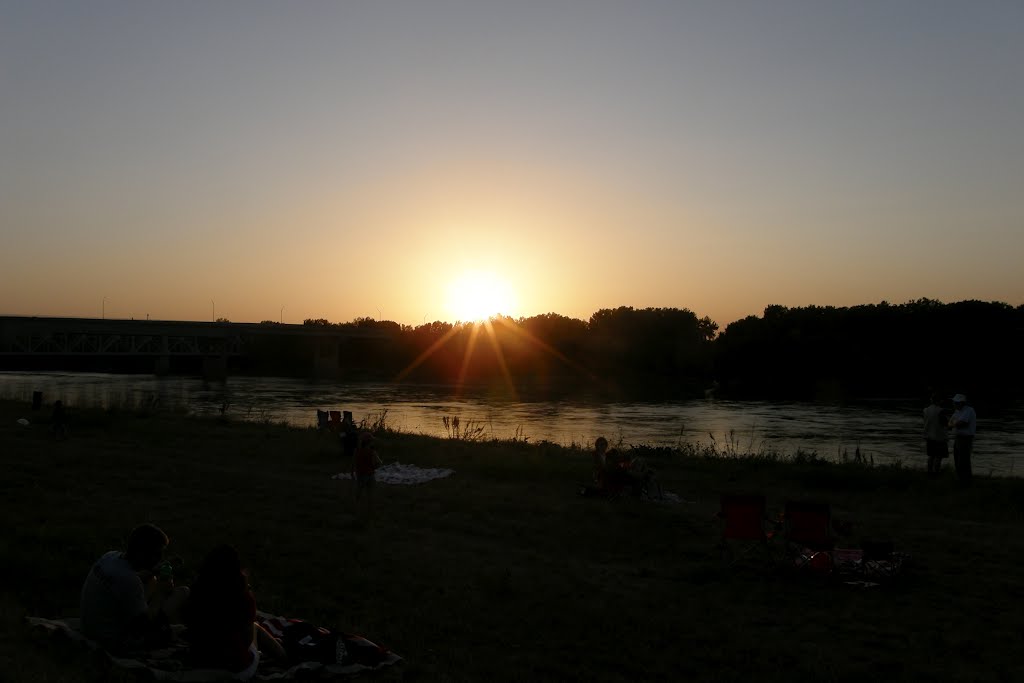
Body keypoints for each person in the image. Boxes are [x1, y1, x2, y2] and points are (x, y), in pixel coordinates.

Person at [79, 523, 190, 653]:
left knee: (151, 581)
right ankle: (171, 631)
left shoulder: (110, 557)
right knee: (182, 592)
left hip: (91, 629)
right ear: (141, 553)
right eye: (157, 554)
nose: (160, 558)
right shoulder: (129, 581)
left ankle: (170, 628)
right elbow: (143, 627)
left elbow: (124, 581)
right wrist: (161, 593)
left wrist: (153, 572)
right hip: (114, 643)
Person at [184, 544, 286, 680]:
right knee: (255, 628)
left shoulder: (196, 593)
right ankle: (284, 657)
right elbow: (247, 639)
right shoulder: (242, 597)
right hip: (236, 669)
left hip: (199, 663)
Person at [352, 431, 382, 518]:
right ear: (369, 442)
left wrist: (352, 472)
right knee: (370, 493)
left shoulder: (357, 451)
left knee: (359, 492)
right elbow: (378, 463)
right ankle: (370, 510)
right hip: (369, 475)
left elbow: (353, 462)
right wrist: (375, 466)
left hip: (360, 475)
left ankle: (356, 507)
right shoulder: (372, 452)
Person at [948, 393, 977, 485]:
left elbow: (962, 424)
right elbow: (950, 423)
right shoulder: (957, 411)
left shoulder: (969, 410)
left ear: (961, 403)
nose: (954, 404)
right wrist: (954, 424)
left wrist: (954, 424)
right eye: (953, 402)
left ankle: (965, 480)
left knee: (963, 460)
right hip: (958, 438)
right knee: (957, 459)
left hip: (966, 438)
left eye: (955, 402)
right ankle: (961, 479)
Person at [922, 393, 949, 477]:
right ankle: (936, 474)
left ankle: (929, 472)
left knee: (931, 456)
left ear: (931, 400)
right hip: (939, 437)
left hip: (928, 437)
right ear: (940, 401)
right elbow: (945, 423)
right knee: (938, 456)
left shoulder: (925, 410)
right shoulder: (941, 410)